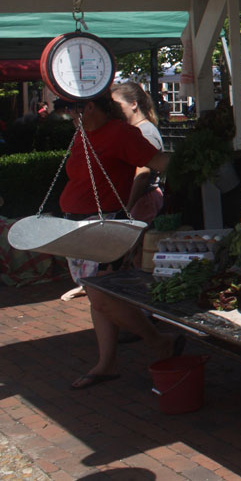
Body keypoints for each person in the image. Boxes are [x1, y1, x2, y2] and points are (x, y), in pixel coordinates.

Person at [59, 92, 183, 390]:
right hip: (79, 225)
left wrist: (200, 162)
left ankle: (159, 341)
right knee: (97, 298)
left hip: (103, 225)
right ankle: (106, 363)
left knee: (101, 295)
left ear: (89, 106)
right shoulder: (82, 134)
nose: (70, 118)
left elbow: (159, 161)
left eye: (72, 112)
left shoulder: (119, 133)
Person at [111, 82, 164, 224]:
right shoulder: (136, 131)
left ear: (133, 104)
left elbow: (142, 175)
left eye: (117, 105)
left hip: (143, 201)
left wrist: (127, 208)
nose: (114, 111)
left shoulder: (145, 132)